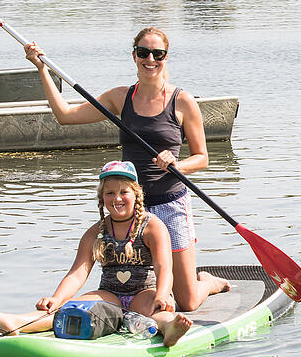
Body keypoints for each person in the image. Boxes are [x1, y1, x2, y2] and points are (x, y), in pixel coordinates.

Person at [23, 27, 229, 312]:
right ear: (134, 56)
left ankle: (207, 281)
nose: (150, 59)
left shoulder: (182, 101)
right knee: (134, 285)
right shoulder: (119, 98)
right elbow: (65, 116)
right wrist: (42, 69)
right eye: (143, 53)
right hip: (129, 208)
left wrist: (176, 165)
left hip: (170, 204)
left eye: (158, 54)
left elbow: (202, 157)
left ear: (166, 58)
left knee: (189, 302)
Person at [0, 161, 193, 347]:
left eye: (123, 192)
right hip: (110, 294)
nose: (117, 199)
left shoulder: (152, 226)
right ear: (102, 198)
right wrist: (57, 298)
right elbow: (78, 273)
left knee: (155, 311)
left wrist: (163, 295)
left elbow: (163, 266)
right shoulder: (95, 232)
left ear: (136, 194)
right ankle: (16, 322)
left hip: (145, 292)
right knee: (69, 309)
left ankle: (169, 329)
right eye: (110, 193)